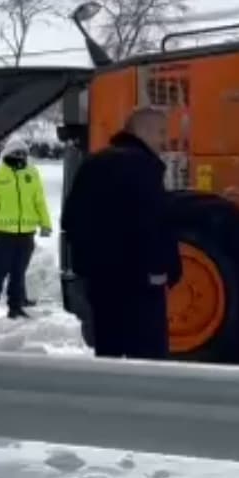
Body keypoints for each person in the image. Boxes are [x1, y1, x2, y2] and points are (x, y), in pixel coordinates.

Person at [62, 106, 182, 359]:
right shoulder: (144, 167)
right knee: (147, 360)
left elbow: (71, 220)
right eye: (161, 132)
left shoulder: (93, 163)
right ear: (144, 132)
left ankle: (111, 396)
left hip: (101, 282)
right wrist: (166, 268)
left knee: (110, 354)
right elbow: (155, 223)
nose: (165, 140)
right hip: (141, 284)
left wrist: (89, 269)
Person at [0, 138, 54, 319]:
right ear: (8, 154)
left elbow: (39, 201)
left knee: (18, 273)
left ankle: (15, 308)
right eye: (16, 153)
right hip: (3, 234)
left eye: (23, 153)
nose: (20, 157)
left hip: (26, 233)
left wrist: (45, 224)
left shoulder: (31, 174)